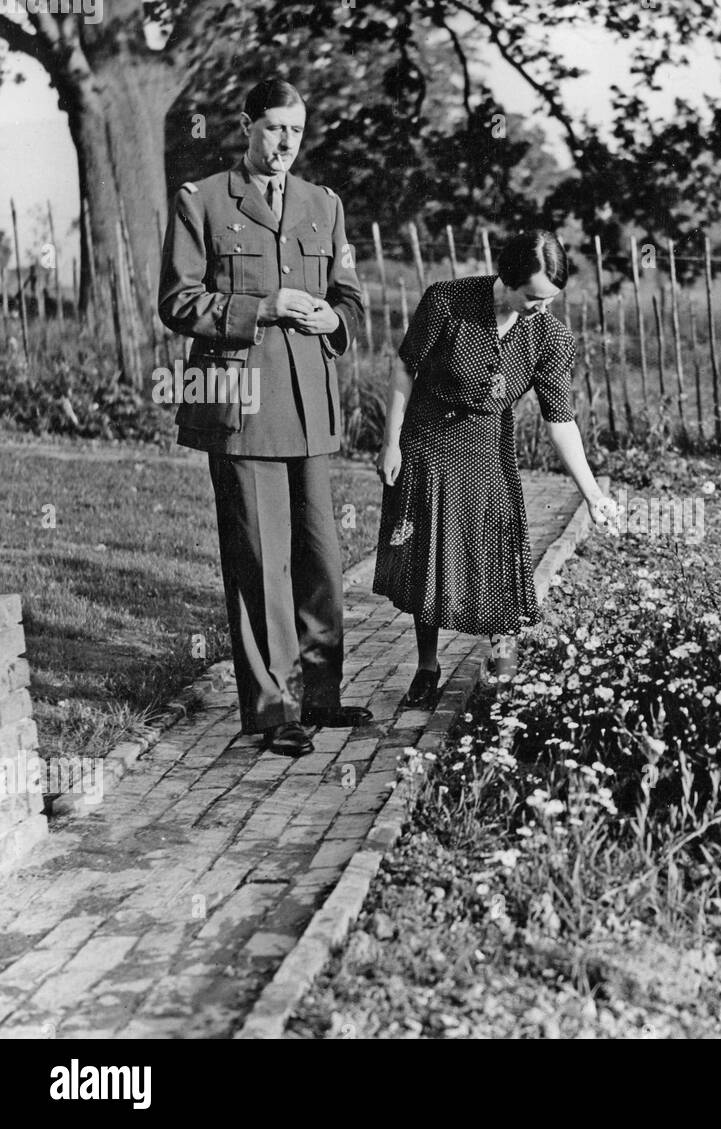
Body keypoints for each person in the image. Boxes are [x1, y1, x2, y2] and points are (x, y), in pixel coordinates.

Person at [158, 78, 373, 756]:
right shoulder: (203, 200)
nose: (285, 143)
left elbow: (351, 303)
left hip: (310, 406)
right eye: (273, 128)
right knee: (258, 559)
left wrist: (332, 315)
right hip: (241, 404)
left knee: (319, 555)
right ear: (247, 126)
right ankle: (271, 706)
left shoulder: (323, 205)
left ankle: (321, 695)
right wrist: (261, 309)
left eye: (295, 131)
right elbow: (178, 302)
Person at [372, 229, 618, 708]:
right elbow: (405, 367)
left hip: (488, 450)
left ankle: (502, 660)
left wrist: (592, 493)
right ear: (506, 279)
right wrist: (390, 443)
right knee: (428, 556)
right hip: (428, 442)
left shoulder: (550, 337)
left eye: (549, 300)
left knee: (496, 552)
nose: (540, 309)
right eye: (532, 298)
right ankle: (427, 666)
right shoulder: (447, 300)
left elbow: (560, 421)